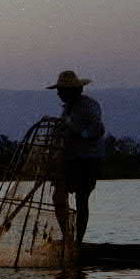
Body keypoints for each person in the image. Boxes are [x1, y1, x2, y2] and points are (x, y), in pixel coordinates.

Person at [47, 70, 105, 244]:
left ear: (73, 90)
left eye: (61, 90)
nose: (58, 93)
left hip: (86, 159)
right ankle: (67, 238)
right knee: (58, 196)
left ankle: (78, 241)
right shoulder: (67, 108)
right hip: (69, 158)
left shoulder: (88, 106)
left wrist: (77, 133)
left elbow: (97, 130)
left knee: (81, 199)